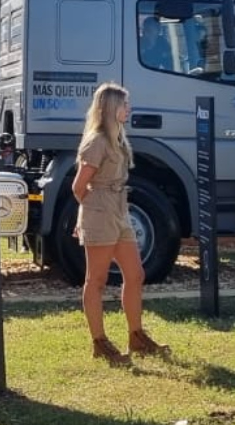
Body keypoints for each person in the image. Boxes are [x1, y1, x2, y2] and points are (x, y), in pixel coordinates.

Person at [71, 83, 168, 367]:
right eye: (125, 104)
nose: (129, 108)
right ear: (113, 108)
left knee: (135, 274)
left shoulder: (118, 138)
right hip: (101, 209)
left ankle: (136, 336)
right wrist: (90, 215)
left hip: (119, 209)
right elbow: (78, 187)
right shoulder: (97, 141)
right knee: (96, 280)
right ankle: (99, 342)